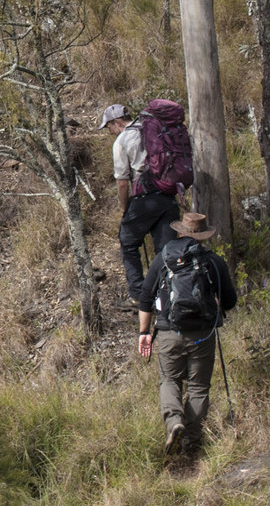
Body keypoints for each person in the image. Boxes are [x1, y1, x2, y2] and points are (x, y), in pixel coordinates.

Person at [136, 209, 237, 459]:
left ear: (180, 231)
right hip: (203, 334)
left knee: (170, 380)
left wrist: (144, 333)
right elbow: (231, 301)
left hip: (170, 331)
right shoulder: (213, 261)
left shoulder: (164, 258)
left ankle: (174, 423)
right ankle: (191, 444)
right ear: (202, 236)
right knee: (199, 387)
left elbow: (146, 297)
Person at [98, 103, 180, 312]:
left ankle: (137, 295)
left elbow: (123, 181)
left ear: (117, 122)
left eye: (109, 127)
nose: (109, 131)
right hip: (169, 194)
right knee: (166, 251)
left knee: (127, 242)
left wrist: (126, 209)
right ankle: (169, 299)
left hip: (145, 197)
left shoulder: (122, 140)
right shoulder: (152, 129)